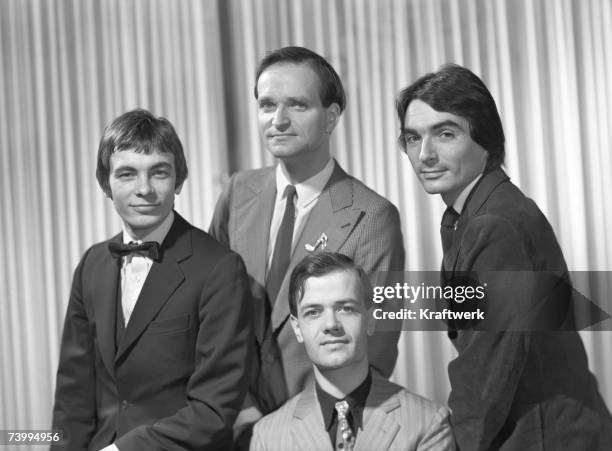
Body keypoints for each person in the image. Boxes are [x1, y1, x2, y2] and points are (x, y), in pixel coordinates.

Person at [395, 64, 612, 450]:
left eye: (445, 133)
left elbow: (486, 368)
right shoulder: (480, 213)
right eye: (413, 138)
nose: (425, 154)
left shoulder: (495, 225)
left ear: (486, 140)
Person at [209, 46, 405, 421]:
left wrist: (291, 431)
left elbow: (373, 349)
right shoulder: (237, 193)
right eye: (267, 105)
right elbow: (208, 312)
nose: (278, 120)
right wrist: (239, 406)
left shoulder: (373, 217)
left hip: (316, 428)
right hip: (231, 421)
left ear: (331, 117)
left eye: (297, 105)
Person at [52, 109, 253, 450]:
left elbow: (215, 408)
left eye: (158, 173)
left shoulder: (220, 269)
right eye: (127, 174)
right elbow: (74, 396)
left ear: (178, 180)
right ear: (106, 184)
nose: (143, 189)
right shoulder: (91, 265)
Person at [251, 252, 454, 450]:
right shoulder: (268, 437)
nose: (331, 324)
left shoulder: (428, 424)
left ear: (371, 319)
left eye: (345, 308)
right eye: (313, 312)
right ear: (297, 328)